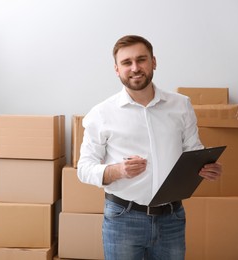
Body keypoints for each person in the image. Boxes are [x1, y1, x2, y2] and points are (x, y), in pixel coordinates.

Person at [77, 35, 222, 260]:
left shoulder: (181, 105)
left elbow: (193, 150)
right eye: (127, 63)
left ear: (153, 62)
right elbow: (84, 168)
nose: (135, 68)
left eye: (141, 59)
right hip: (123, 218)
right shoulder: (101, 113)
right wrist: (117, 171)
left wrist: (206, 167)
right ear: (117, 69)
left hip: (171, 218)